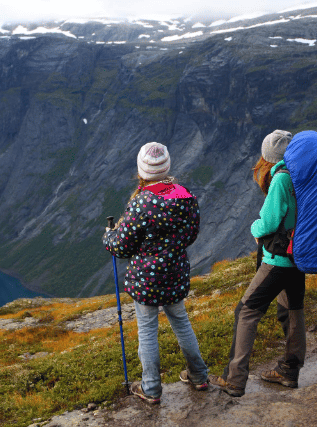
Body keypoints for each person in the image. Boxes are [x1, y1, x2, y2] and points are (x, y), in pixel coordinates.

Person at [102, 142, 208, 404]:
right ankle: (199, 376)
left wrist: (108, 236)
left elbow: (121, 246)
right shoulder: (185, 196)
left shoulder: (141, 203)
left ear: (141, 170)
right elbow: (191, 234)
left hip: (146, 279)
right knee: (181, 322)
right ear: (167, 166)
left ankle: (150, 389)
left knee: (148, 330)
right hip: (175, 272)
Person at [209, 130, 306, 397]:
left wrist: (254, 226)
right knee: (292, 311)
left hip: (277, 260)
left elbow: (269, 222)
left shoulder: (280, 179)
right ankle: (289, 371)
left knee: (246, 311)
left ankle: (235, 379)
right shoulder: (301, 174)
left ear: (268, 157)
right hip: (298, 256)